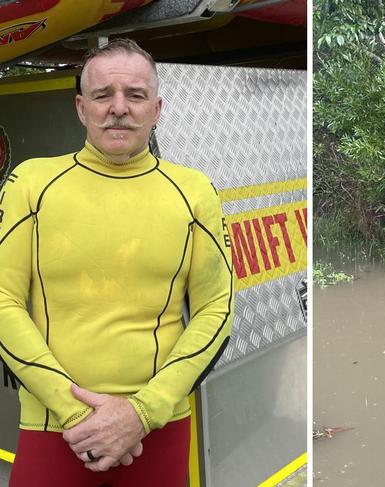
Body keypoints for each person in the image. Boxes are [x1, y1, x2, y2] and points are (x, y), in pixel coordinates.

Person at [0, 39, 233, 486]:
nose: (118, 108)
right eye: (103, 95)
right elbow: (4, 301)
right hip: (55, 429)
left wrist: (140, 414)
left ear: (157, 108)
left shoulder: (195, 190)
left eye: (136, 95)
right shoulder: (31, 181)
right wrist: (78, 415)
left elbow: (217, 309)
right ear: (81, 108)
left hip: (157, 429)